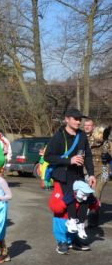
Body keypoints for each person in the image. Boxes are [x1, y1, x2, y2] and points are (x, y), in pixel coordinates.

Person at [44, 108, 96, 253]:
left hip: (78, 176)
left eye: (80, 119)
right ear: (67, 119)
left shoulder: (82, 136)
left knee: (84, 200)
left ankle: (74, 238)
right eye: (75, 118)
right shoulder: (59, 136)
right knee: (62, 207)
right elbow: (48, 156)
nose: (79, 121)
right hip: (62, 176)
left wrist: (91, 174)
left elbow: (88, 156)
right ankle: (62, 241)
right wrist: (69, 160)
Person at [88, 125, 108, 227]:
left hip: (103, 172)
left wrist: (109, 156)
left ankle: (92, 220)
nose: (102, 136)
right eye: (100, 134)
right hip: (91, 171)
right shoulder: (90, 141)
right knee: (87, 195)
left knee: (96, 194)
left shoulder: (107, 142)